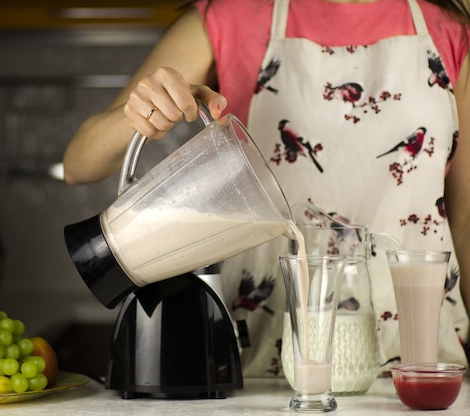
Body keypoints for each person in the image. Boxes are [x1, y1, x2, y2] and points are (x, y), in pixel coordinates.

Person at [63, 0, 470, 378]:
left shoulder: (450, 30)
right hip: (270, 362)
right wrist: (139, 112)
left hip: (422, 363)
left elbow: (466, 218)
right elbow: (78, 163)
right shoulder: (236, 16)